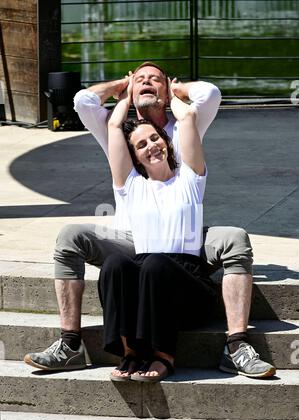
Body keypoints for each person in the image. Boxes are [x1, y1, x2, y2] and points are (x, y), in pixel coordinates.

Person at [24, 62, 275, 378]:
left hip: (183, 245)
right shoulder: (126, 160)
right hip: (132, 242)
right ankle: (73, 345)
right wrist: (123, 87)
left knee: (232, 238)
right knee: (82, 242)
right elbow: (83, 103)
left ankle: (236, 345)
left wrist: (176, 91)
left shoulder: (183, 142)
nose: (150, 146)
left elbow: (209, 94)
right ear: (133, 153)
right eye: (140, 79)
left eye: (154, 79)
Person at [99, 75, 216, 382]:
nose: (151, 146)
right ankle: (130, 351)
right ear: (134, 156)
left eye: (154, 139)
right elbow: (113, 126)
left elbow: (189, 115)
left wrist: (170, 93)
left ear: (166, 141)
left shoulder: (190, 180)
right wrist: (126, 94)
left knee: (155, 263)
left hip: (188, 282)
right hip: (147, 275)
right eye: (140, 145)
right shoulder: (132, 186)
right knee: (115, 263)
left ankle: (164, 355)